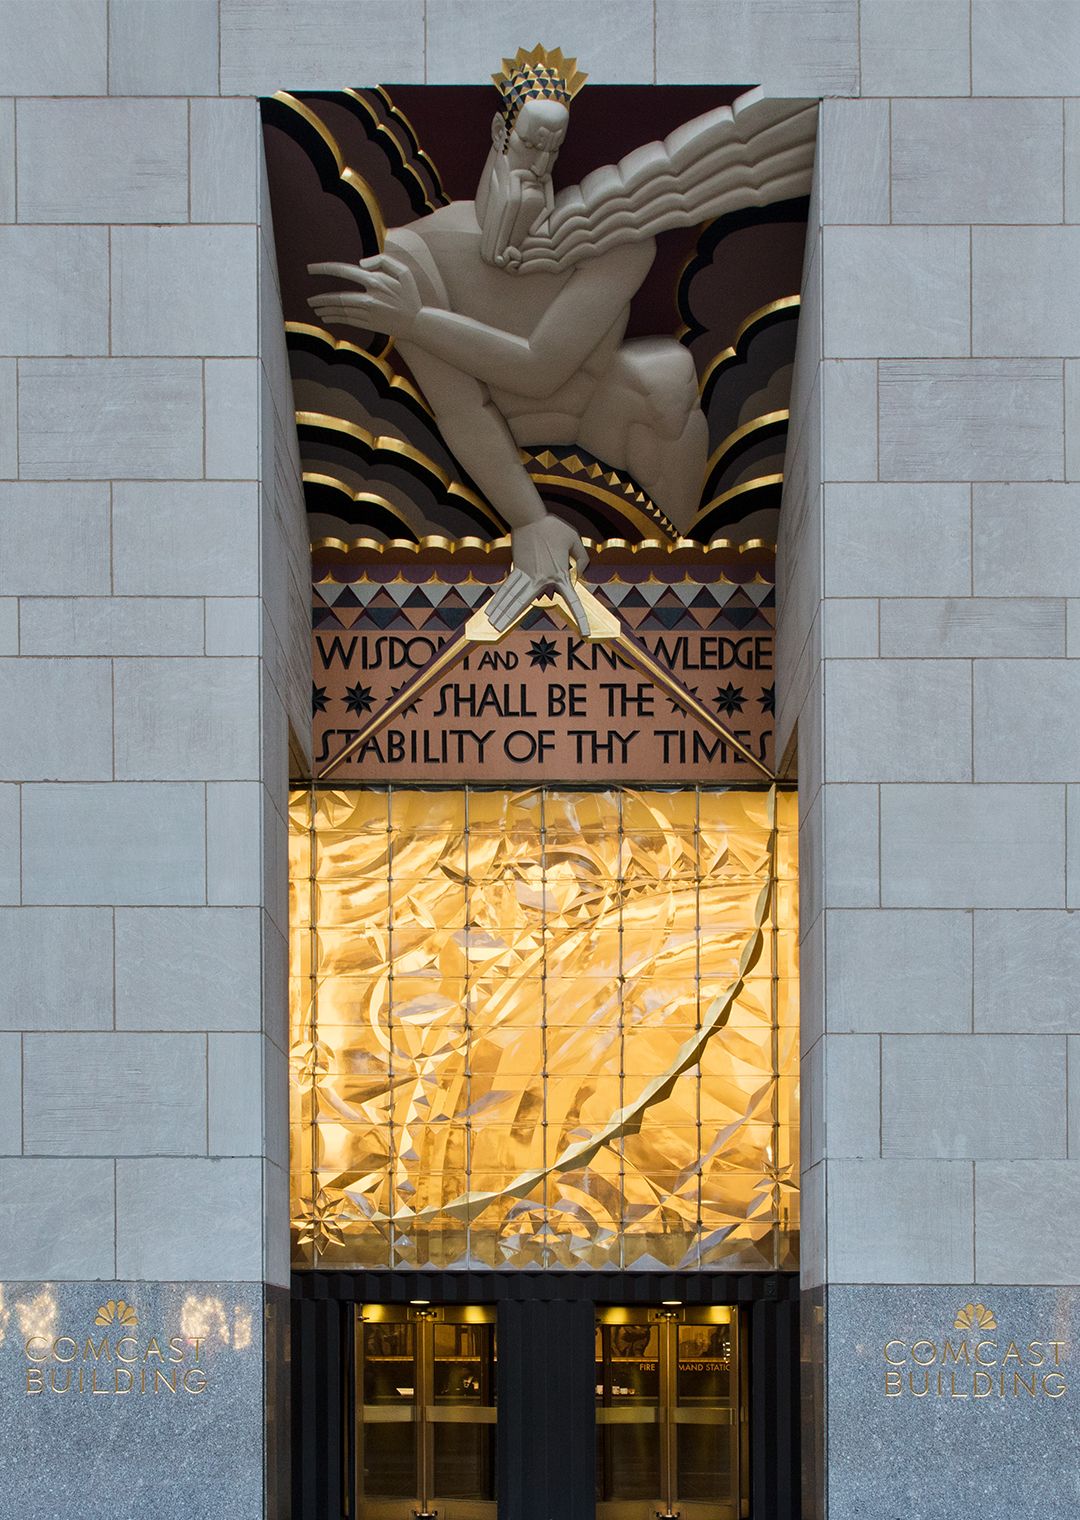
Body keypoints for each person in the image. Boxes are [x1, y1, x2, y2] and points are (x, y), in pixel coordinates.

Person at [309, 48, 816, 634]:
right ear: (500, 132)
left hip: (597, 416)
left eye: (553, 149)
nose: (541, 164)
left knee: (666, 375)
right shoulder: (417, 251)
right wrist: (530, 520)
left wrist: (418, 321)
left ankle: (678, 584)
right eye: (531, 144)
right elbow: (462, 407)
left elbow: (540, 368)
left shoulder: (614, 240)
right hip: (483, 447)